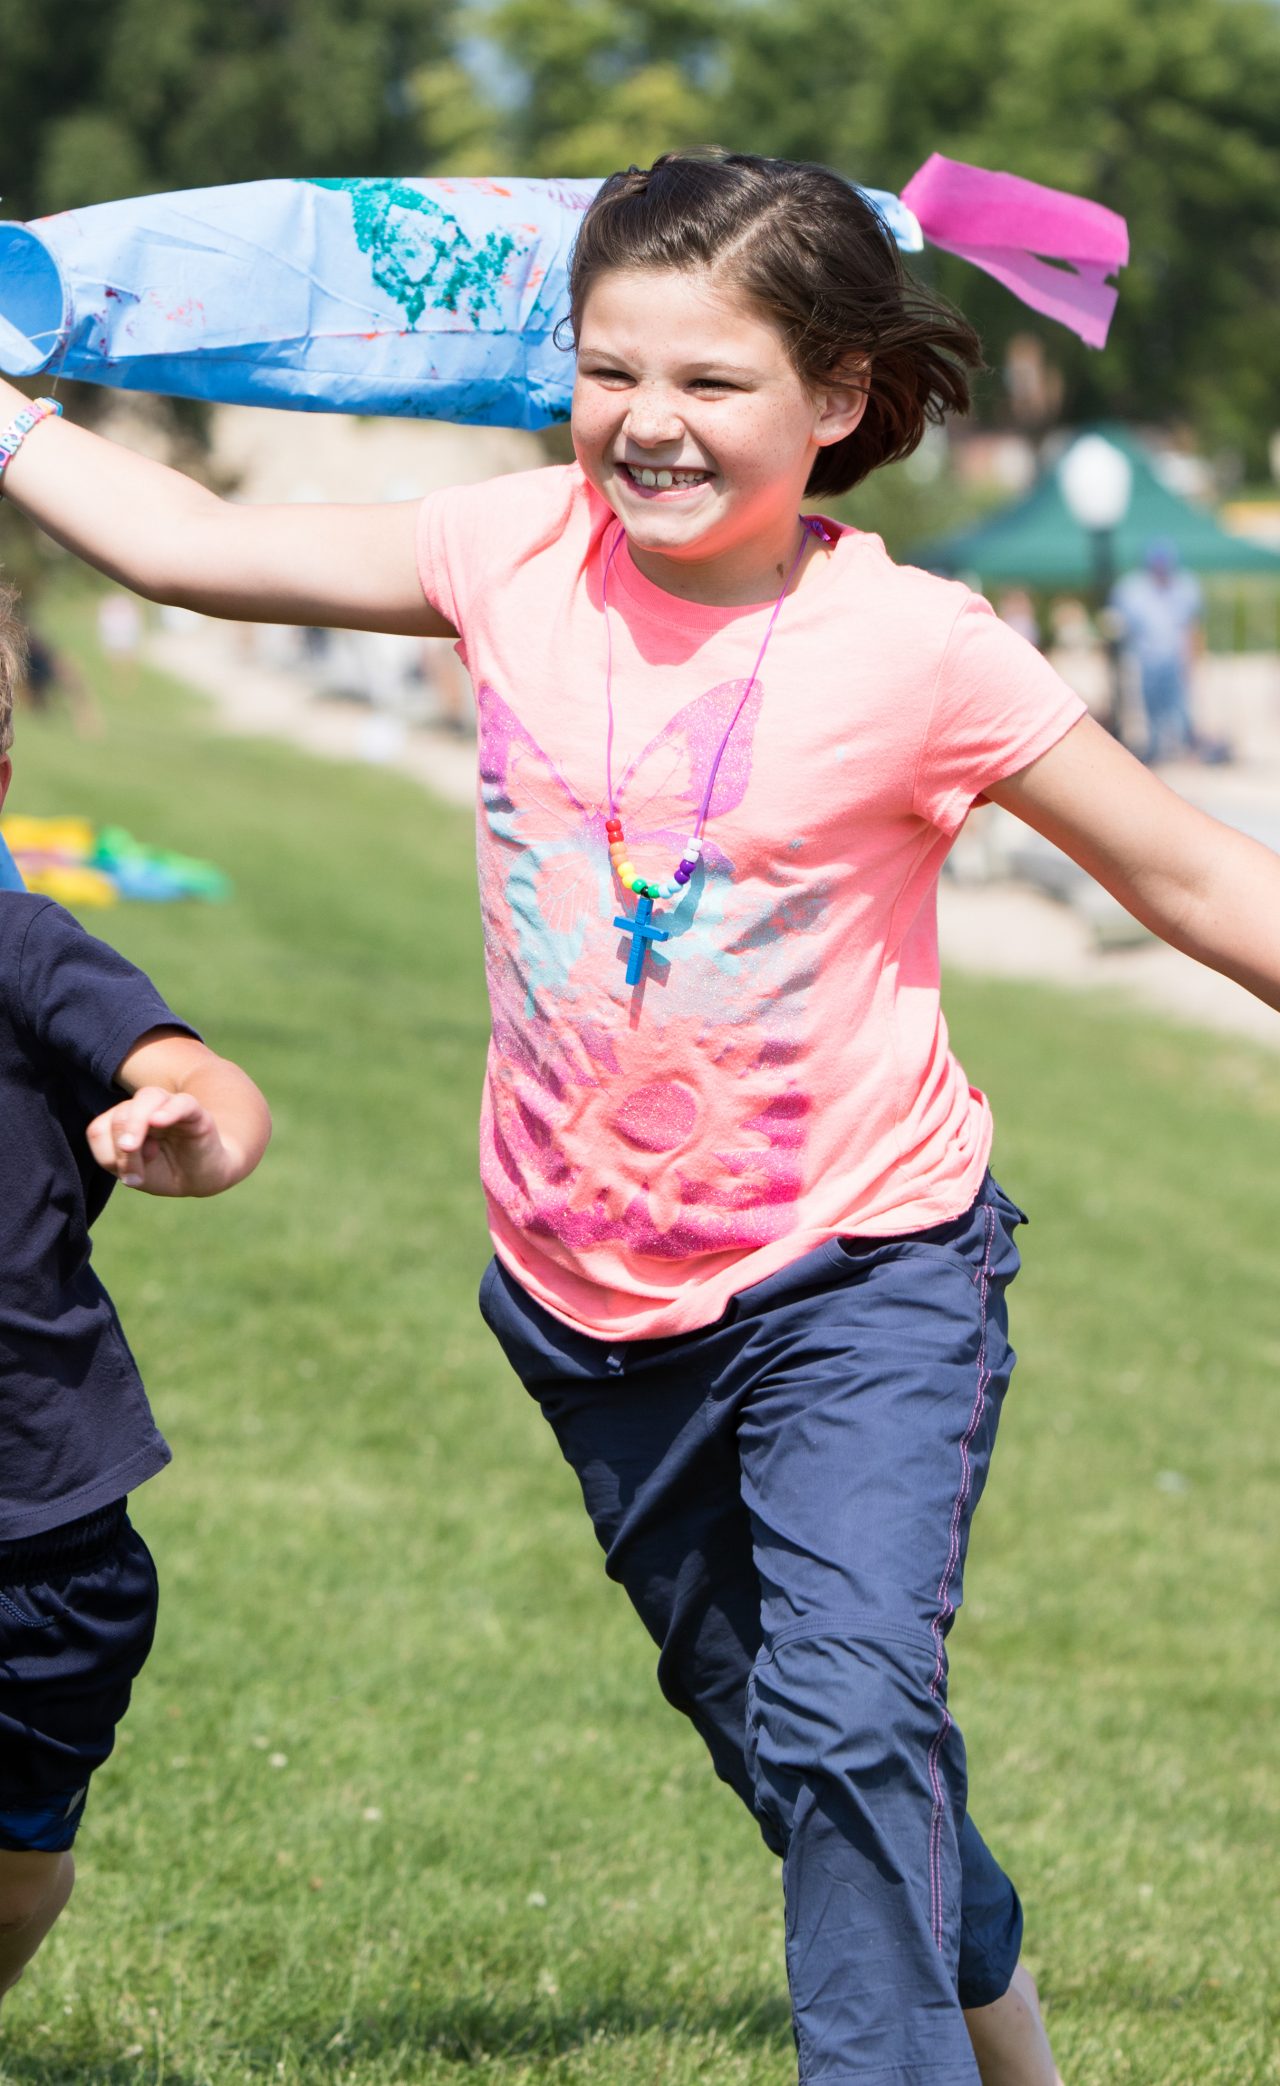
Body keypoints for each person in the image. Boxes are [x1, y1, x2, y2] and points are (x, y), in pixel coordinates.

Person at [1, 150, 1279, 2084]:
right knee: (811, 1747)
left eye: (711, 382)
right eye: (611, 372)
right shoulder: (511, 554)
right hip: (593, 1309)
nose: (648, 424)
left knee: (851, 1713)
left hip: (866, 1270)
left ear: (837, 398)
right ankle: (1010, 2044)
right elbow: (186, 542)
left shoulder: (920, 648)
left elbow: (1190, 878)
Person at [0, 583, 271, 2008]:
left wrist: (194, 1127)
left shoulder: (27, 949)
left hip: (40, 1537)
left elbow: (208, 1076)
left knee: (16, 1866)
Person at [1109, 536, 1204, 762]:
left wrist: (1195, 659)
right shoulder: (1132, 588)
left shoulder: (1185, 585)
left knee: (1180, 706)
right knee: (1150, 707)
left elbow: (1192, 627)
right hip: (1144, 658)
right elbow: (1119, 626)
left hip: (1175, 658)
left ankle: (1182, 749)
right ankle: (1155, 749)